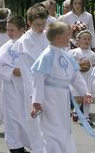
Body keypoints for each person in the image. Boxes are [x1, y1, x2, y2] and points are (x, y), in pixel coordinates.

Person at [31, 22, 91, 153]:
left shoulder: (67, 55)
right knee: (51, 130)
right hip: (49, 98)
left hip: (63, 98)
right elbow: (38, 79)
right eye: (67, 35)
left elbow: (76, 76)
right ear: (58, 38)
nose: (69, 37)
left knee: (64, 128)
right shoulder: (47, 56)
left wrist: (85, 92)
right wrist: (37, 101)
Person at [0, 15, 43, 153]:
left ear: (22, 30)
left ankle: (34, 144)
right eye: (8, 29)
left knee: (29, 118)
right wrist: (11, 71)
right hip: (11, 89)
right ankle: (15, 145)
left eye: (12, 30)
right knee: (12, 118)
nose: (9, 32)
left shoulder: (29, 43)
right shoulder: (6, 47)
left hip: (28, 88)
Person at [68, 29, 95, 125]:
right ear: (78, 41)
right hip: (78, 78)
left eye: (88, 39)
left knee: (87, 97)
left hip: (88, 78)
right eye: (84, 39)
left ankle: (86, 117)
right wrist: (78, 64)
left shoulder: (92, 54)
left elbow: (93, 65)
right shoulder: (74, 52)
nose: (86, 41)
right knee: (79, 97)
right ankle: (75, 111)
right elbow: (68, 63)